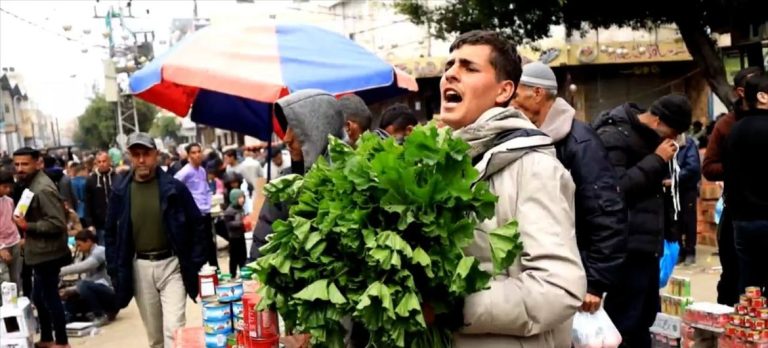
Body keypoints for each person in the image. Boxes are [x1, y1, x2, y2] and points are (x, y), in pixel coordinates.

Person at [440, 30, 585, 347]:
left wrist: (453, 307)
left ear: (504, 90)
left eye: (469, 67)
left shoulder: (535, 168)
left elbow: (559, 287)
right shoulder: (441, 166)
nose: (450, 73)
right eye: (449, 65)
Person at [511, 61, 627, 313]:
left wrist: (595, 283)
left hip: (577, 273)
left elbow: (605, 212)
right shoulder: (531, 138)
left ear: (538, 93)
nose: (513, 103)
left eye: (517, 95)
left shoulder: (580, 142)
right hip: (546, 272)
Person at [592, 94, 692, 347]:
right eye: (673, 131)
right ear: (657, 120)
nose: (674, 139)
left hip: (647, 244)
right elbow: (616, 189)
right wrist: (657, 159)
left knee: (645, 316)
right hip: (625, 244)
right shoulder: (614, 136)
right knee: (625, 319)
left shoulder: (649, 137)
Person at [105, 133, 207, 348]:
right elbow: (111, 234)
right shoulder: (121, 191)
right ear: (129, 157)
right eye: (136, 154)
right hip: (140, 268)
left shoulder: (174, 188)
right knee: (155, 338)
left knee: (174, 330)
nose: (141, 160)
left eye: (146, 154)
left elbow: (197, 224)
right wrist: (115, 268)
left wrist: (194, 261)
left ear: (156, 155)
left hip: (172, 266)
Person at [250, 89, 345, 261]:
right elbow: (261, 249)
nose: (286, 138)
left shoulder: (352, 183)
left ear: (318, 130)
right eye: (286, 128)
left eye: (295, 129)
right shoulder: (284, 187)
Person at [702, 66, 764, 305]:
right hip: (739, 213)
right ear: (742, 92)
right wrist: (742, 167)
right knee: (736, 276)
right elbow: (709, 167)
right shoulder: (728, 126)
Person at [12, 147, 71, 348]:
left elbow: (57, 223)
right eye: (17, 164)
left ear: (38, 163)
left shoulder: (42, 188)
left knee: (50, 297)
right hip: (38, 251)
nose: (20, 168)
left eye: (25, 164)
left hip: (48, 252)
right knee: (39, 296)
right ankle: (47, 338)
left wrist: (28, 226)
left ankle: (62, 342)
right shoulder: (30, 185)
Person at [725, 72, 768, 293]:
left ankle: (749, 326)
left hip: (743, 221)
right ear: (762, 97)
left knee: (749, 287)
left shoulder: (735, 130)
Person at [59, 229, 116, 326]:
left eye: (79, 245)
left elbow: (84, 267)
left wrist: (58, 271)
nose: (78, 248)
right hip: (96, 289)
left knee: (82, 285)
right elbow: (87, 281)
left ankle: (100, 315)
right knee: (70, 298)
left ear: (89, 241)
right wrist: (69, 290)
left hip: (109, 292)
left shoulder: (100, 251)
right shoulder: (84, 255)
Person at [174, 143, 218, 268]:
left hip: (205, 211)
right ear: (188, 156)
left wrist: (209, 202)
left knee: (210, 243)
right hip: (194, 214)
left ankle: (215, 270)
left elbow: (205, 189)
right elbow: (174, 185)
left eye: (199, 151)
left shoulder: (202, 170)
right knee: (199, 245)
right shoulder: (185, 172)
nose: (197, 155)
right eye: (193, 152)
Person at [672, 133, 702, 266]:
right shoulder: (666, 143)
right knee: (675, 220)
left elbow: (693, 167)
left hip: (687, 188)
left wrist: (675, 178)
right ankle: (680, 251)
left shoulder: (688, 144)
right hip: (672, 189)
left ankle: (690, 251)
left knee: (688, 220)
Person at [85, 151, 117, 245]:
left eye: (104, 161)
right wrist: (90, 224)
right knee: (104, 251)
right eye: (99, 162)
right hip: (100, 224)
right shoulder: (91, 180)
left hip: (117, 223)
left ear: (109, 161)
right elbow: (88, 203)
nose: (102, 164)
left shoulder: (117, 177)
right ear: (96, 163)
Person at [0, 170, 21, 295]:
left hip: (15, 242)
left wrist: (19, 237)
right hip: (2, 246)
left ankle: (16, 307)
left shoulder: (9, 201)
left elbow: (12, 220)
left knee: (16, 278)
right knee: (4, 281)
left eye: (9, 187)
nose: (8, 190)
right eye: (4, 187)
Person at [223, 189, 248, 277]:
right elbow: (229, 224)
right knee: (234, 257)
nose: (242, 200)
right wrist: (241, 223)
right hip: (233, 238)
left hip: (241, 236)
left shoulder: (241, 209)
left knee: (243, 256)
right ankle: (232, 274)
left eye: (243, 197)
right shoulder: (229, 211)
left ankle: (243, 272)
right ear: (234, 198)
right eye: (240, 198)